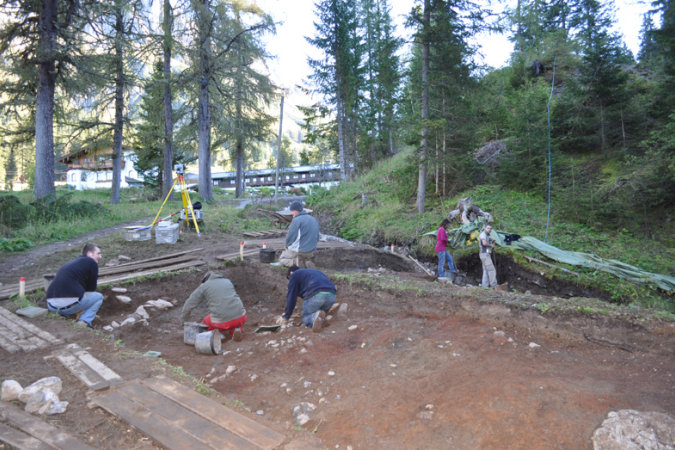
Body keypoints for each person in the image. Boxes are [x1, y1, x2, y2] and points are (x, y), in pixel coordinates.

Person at [46, 243, 104, 329]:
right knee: (98, 297)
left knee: (79, 295)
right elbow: (91, 289)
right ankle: (84, 322)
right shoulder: (92, 262)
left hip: (51, 306)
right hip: (67, 307)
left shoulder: (72, 263)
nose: (100, 256)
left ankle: (67, 316)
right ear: (89, 254)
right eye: (98, 253)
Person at [181, 272, 247, 341]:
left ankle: (218, 335)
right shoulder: (227, 281)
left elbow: (188, 305)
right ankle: (236, 330)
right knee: (232, 316)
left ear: (205, 280)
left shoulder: (204, 286)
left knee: (206, 321)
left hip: (223, 322)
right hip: (241, 317)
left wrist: (184, 321)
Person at [277, 266, 336, 332]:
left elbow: (291, 296)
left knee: (305, 318)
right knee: (319, 311)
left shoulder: (294, 275)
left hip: (317, 296)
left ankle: (315, 319)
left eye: (289, 278)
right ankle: (320, 318)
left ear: (291, 273)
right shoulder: (314, 272)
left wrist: (286, 316)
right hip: (331, 296)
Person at [279, 201, 319, 268]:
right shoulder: (313, 219)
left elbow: (290, 237)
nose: (292, 214)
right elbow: (317, 237)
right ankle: (307, 261)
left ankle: (296, 262)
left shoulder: (296, 220)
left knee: (282, 259)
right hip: (311, 251)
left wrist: (287, 247)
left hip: (300, 250)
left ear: (295, 211)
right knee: (304, 254)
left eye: (292, 211)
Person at [478, 224, 498, 288]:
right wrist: (491, 245)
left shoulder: (487, 235)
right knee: (491, 269)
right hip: (485, 254)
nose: (489, 229)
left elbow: (490, 240)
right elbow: (484, 243)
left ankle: (485, 285)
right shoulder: (483, 234)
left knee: (486, 270)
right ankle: (494, 285)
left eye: (490, 228)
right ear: (485, 228)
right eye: (488, 228)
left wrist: (492, 241)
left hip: (484, 254)